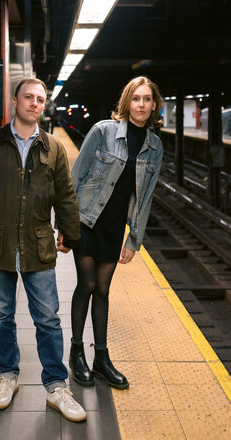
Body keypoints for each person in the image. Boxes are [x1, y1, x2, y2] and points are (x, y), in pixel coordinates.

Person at [0, 77, 86, 423]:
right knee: (2, 316)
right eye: (28, 97)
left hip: (38, 244)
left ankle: (56, 386)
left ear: (44, 106)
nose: (34, 103)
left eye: (40, 99)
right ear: (14, 102)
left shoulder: (54, 147)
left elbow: (65, 195)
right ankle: (8, 377)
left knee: (47, 318)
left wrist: (69, 234)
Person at [69, 76, 164, 389]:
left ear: (154, 105)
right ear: (127, 102)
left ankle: (102, 358)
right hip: (87, 219)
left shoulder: (155, 146)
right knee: (88, 284)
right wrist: (64, 226)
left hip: (113, 227)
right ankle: (77, 353)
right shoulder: (103, 131)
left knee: (104, 290)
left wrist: (134, 240)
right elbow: (75, 178)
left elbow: (145, 197)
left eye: (147, 99)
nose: (141, 105)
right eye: (136, 98)